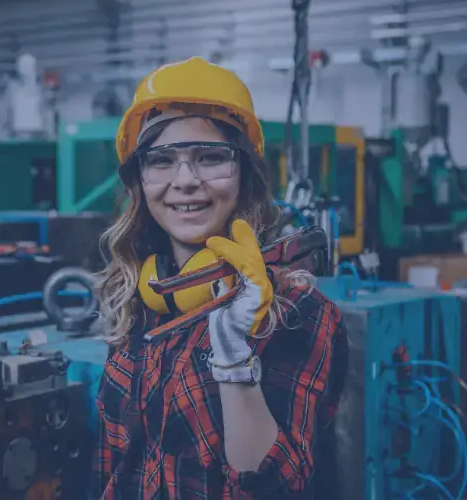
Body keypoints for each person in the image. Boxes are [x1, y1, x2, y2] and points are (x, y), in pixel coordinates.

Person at [92, 56, 349, 500]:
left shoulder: (298, 311)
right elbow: (114, 465)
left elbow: (276, 486)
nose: (185, 180)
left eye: (211, 158)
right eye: (161, 161)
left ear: (244, 174)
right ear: (140, 180)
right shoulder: (139, 298)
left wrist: (234, 361)